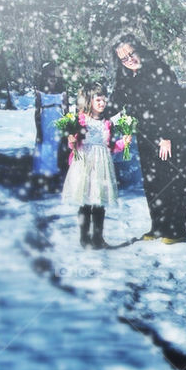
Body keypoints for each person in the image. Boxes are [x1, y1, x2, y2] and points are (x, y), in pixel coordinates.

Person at [110, 34, 186, 244]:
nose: (129, 60)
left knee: (172, 179)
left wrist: (167, 136)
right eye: (123, 58)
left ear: (139, 49)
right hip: (147, 130)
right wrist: (96, 113)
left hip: (173, 130)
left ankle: (176, 230)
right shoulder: (125, 75)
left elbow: (171, 104)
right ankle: (158, 226)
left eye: (131, 53)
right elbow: (118, 99)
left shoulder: (158, 69)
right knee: (152, 180)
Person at [60, 82, 130, 249]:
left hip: (102, 166)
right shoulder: (81, 120)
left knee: (99, 202)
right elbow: (74, 144)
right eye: (98, 100)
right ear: (89, 101)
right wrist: (71, 140)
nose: (102, 103)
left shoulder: (107, 123)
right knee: (85, 202)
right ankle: (84, 238)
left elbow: (111, 147)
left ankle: (98, 238)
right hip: (84, 164)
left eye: (103, 100)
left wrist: (123, 143)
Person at [32, 62, 68, 189]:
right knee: (47, 149)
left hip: (59, 123)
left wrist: (67, 129)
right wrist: (39, 131)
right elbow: (37, 113)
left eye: (55, 74)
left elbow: (66, 113)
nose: (52, 77)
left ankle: (60, 178)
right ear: (45, 76)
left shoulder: (62, 93)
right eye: (49, 74)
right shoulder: (40, 93)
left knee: (59, 149)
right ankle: (46, 178)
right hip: (46, 123)